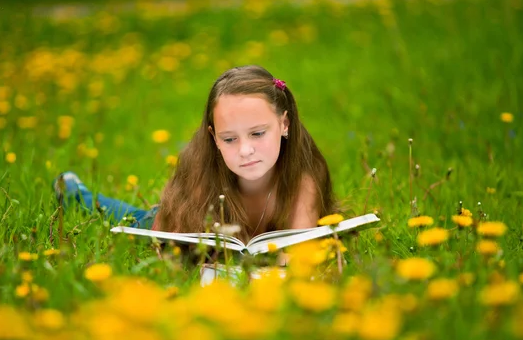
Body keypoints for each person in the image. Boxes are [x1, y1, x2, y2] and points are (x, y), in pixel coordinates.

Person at [55, 65, 337, 243]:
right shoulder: (202, 168)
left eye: (258, 133)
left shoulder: (304, 175)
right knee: (126, 216)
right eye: (229, 139)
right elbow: (168, 245)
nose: (245, 150)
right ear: (214, 138)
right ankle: (74, 192)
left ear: (284, 124)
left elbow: (301, 253)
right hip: (171, 222)